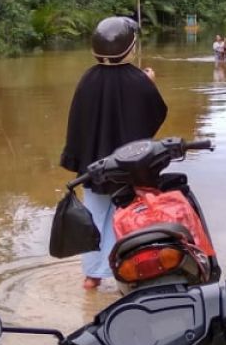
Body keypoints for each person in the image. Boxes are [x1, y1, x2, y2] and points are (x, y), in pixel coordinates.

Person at [61, 16, 167, 289]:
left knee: (95, 217)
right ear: (130, 47)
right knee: (128, 216)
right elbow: (156, 115)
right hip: (129, 168)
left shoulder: (88, 79)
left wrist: (78, 161)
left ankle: (92, 275)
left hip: (93, 166)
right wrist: (151, 84)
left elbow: (77, 124)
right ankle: (127, 271)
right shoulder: (139, 81)